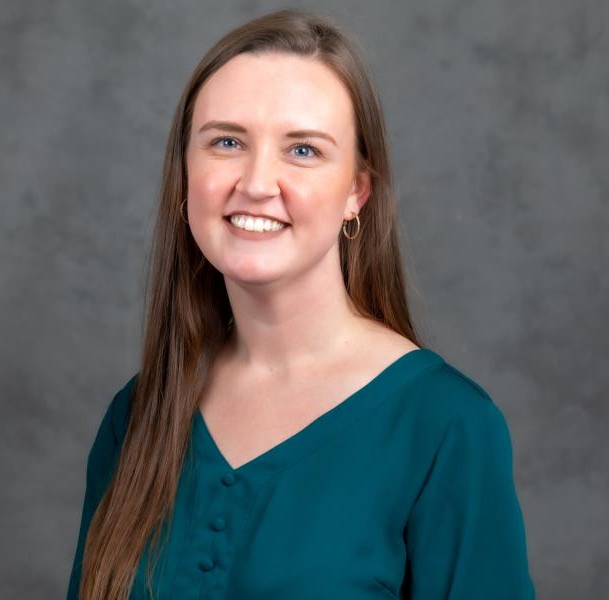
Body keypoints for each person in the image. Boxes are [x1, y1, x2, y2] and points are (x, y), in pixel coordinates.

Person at [66, 8, 536, 600]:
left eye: (304, 151)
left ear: (356, 194)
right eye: (227, 141)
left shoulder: (446, 427)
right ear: (185, 174)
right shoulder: (139, 413)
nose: (257, 182)